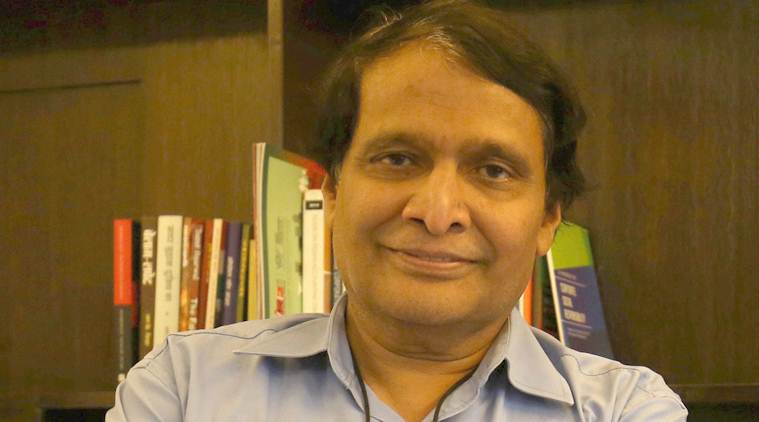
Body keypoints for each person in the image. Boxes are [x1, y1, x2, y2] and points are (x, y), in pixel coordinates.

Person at [107, 1, 687, 421]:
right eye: (398, 158)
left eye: (493, 170)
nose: (438, 212)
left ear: (547, 220)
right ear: (333, 192)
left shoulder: (625, 409)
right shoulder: (183, 389)